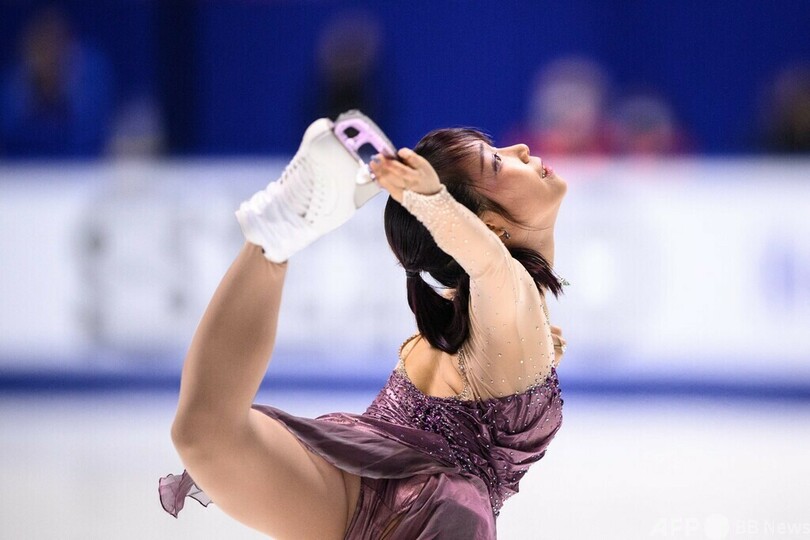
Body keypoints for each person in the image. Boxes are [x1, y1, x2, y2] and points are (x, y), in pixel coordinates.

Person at [159, 112, 569, 539]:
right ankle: (275, 232)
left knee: (205, 434)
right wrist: (430, 201)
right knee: (206, 435)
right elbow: (489, 263)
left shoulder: (470, 310)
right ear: (488, 226)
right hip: (428, 511)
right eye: (498, 163)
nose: (520, 150)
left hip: (365, 470)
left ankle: (273, 236)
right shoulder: (507, 293)